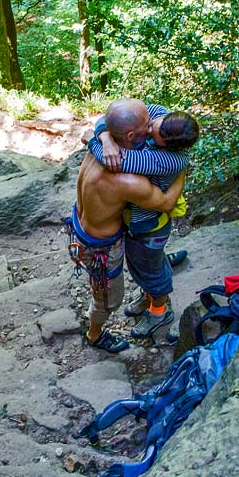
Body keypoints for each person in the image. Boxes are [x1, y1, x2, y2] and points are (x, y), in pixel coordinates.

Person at [69, 117, 187, 353]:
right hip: (102, 246)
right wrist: (181, 168)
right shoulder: (127, 179)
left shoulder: (100, 144)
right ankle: (95, 334)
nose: (151, 125)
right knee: (109, 298)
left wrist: (102, 135)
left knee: (148, 264)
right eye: (147, 126)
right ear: (132, 136)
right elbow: (165, 203)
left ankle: (155, 289)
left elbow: (101, 123)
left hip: (82, 227)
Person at [87, 100, 200, 341]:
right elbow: (115, 119)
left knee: (149, 271)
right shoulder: (162, 116)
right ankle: (150, 292)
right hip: (142, 218)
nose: (147, 129)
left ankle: (159, 310)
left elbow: (113, 159)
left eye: (151, 133)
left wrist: (94, 138)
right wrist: (106, 136)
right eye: (150, 124)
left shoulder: (166, 160)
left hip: (148, 226)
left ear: (166, 145)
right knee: (146, 266)